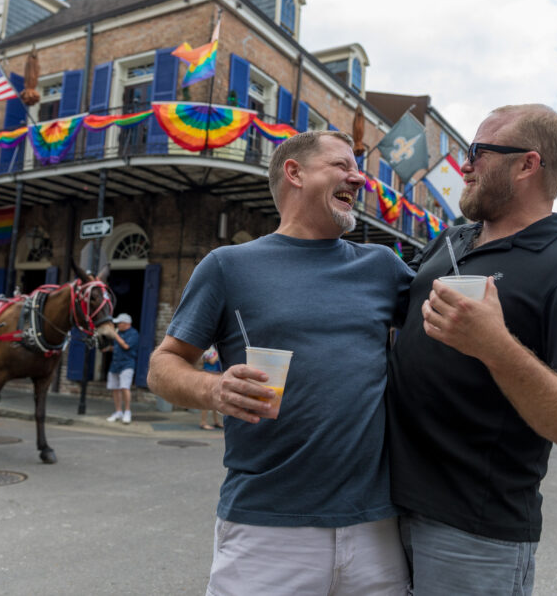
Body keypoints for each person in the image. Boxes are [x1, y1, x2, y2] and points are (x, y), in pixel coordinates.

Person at [148, 130, 414, 595]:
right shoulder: (228, 265)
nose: (358, 177)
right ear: (295, 172)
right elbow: (163, 365)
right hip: (265, 529)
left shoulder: (382, 266)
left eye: (357, 168)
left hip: (376, 527)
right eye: (341, 166)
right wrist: (213, 389)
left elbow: (452, 328)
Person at [386, 104, 557, 595]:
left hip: (473, 532)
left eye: (476, 153)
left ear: (527, 164)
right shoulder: (450, 243)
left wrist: (496, 347)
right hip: (379, 507)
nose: (463, 167)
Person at [105, 313, 139, 423]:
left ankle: (127, 412)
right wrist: (107, 348)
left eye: (119, 323)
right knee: (115, 388)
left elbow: (126, 346)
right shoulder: (119, 333)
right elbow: (117, 348)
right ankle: (118, 411)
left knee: (125, 387)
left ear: (126, 323)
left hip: (127, 365)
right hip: (115, 364)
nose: (118, 325)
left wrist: (115, 334)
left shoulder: (133, 333)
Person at [198, 346, 223, 430]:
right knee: (206, 400)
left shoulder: (213, 350)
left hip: (215, 376)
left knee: (215, 400)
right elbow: (212, 361)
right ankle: (203, 423)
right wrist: (219, 352)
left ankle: (216, 421)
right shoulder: (207, 350)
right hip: (208, 377)